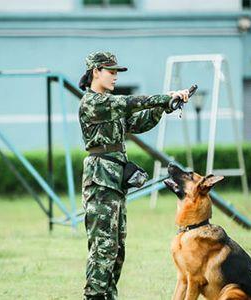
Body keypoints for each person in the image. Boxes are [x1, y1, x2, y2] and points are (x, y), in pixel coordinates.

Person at [78, 51, 190, 300]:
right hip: (100, 181)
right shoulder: (93, 102)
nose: (115, 76)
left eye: (117, 71)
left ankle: (108, 296)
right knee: (103, 247)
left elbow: (139, 122)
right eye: (111, 71)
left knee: (117, 248)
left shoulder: (109, 104)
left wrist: (165, 107)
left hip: (114, 181)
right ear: (96, 71)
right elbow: (130, 103)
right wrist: (164, 97)